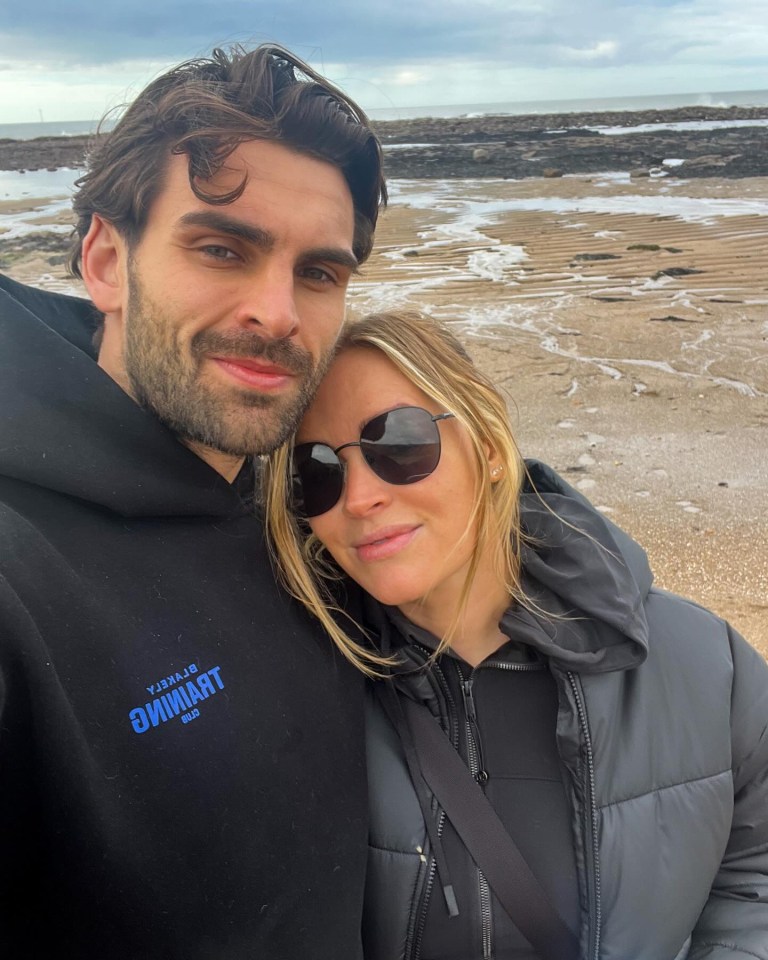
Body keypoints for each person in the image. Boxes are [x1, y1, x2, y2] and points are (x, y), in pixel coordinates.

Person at [0, 45, 385, 957]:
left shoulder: (313, 492)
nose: (278, 312)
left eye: (320, 273)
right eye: (222, 248)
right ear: (104, 260)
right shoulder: (22, 574)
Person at [263, 310, 768, 960]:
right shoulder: (300, 689)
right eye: (319, 470)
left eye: (399, 444)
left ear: (493, 450)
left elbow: (754, 867)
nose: (359, 497)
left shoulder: (705, 668)